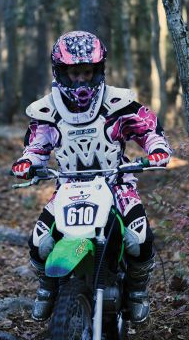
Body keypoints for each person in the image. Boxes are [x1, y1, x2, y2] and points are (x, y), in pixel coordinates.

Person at [12, 31, 172, 323]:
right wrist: (27, 161)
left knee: (139, 236)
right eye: (74, 73)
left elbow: (147, 129)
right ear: (61, 72)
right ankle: (46, 288)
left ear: (99, 69)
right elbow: (36, 144)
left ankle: (136, 291)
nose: (81, 80)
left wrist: (157, 149)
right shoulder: (48, 111)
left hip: (116, 183)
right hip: (68, 186)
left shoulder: (118, 104)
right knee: (39, 240)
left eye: (87, 72)